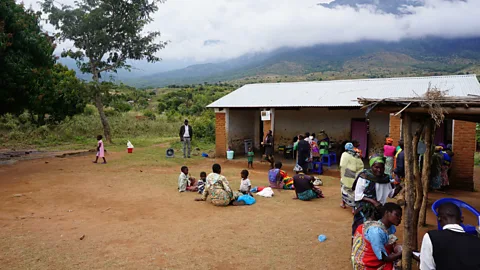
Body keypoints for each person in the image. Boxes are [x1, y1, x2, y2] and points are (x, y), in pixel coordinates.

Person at [419, 202, 480, 270]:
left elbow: (426, 268)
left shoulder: (431, 237)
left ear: (439, 219)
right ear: (462, 219)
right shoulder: (477, 241)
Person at [352, 156, 402, 236]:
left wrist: (399, 187)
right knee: (360, 232)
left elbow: (391, 194)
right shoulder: (364, 177)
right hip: (364, 211)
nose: (379, 170)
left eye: (382, 167)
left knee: (377, 233)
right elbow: (358, 195)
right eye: (376, 167)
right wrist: (373, 201)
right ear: (371, 166)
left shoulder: (385, 179)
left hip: (379, 211)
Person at [352, 203, 403, 270]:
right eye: (396, 215)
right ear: (387, 213)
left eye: (400, 216)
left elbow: (391, 243)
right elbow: (384, 258)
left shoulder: (389, 227)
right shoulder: (376, 232)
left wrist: (400, 249)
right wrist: (401, 253)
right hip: (366, 265)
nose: (399, 219)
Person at [340, 142, 364, 210]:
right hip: (357, 175)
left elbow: (342, 165)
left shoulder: (345, 154)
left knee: (344, 187)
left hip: (348, 174)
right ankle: (354, 208)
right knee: (354, 190)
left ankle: (343, 203)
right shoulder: (357, 154)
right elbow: (361, 165)